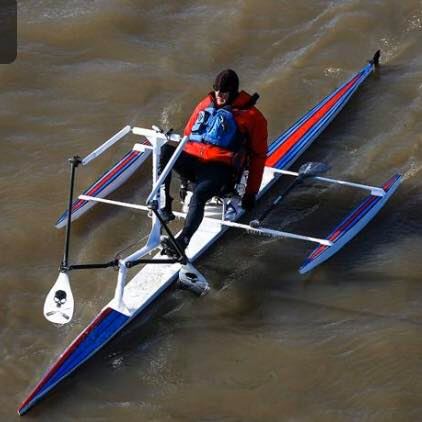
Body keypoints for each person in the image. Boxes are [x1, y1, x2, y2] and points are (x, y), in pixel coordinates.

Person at [159, 69, 268, 257]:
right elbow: (187, 136)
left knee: (199, 195)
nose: (219, 95)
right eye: (216, 90)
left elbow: (259, 156)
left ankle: (183, 240)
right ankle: (164, 205)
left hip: (220, 169)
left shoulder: (252, 117)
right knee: (165, 151)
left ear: (233, 91)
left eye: (224, 91)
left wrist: (251, 193)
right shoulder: (205, 104)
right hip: (193, 162)